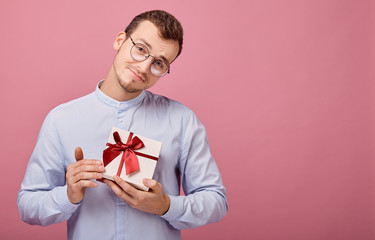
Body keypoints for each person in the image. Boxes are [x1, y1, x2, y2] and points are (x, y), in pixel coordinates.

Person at [17, 10, 228, 240]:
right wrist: (68, 195)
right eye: (140, 49)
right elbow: (28, 206)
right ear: (120, 40)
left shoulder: (182, 121)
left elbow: (216, 201)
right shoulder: (60, 120)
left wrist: (166, 205)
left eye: (158, 63)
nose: (144, 67)